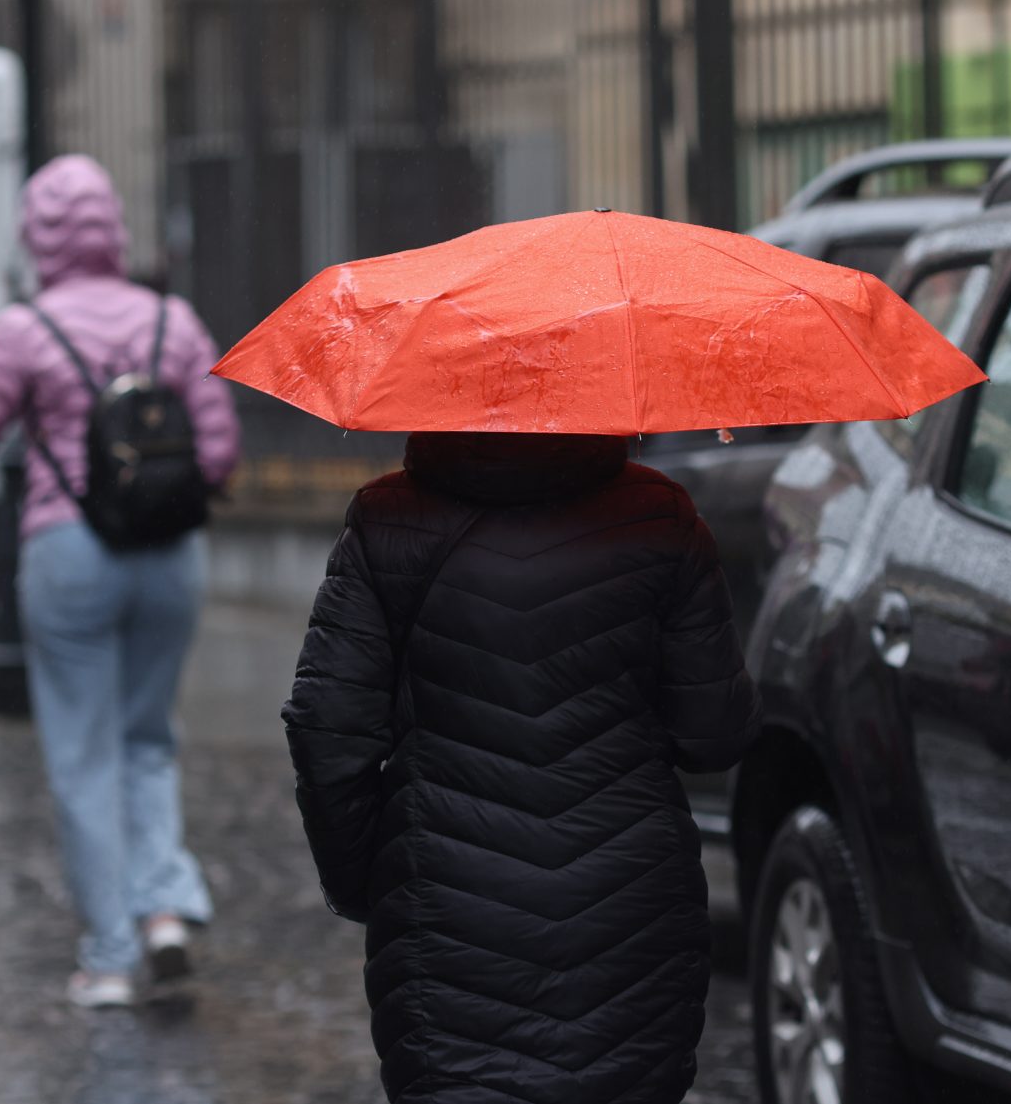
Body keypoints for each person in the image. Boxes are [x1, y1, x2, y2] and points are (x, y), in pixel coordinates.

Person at [284, 432, 763, 1104]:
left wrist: (366, 881)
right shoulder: (662, 515)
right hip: (628, 923)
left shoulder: (388, 517)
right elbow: (715, 734)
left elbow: (327, 729)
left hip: (448, 926)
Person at [0, 154, 240, 1008]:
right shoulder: (174, 321)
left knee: (82, 756)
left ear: (36, 236)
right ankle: (164, 915)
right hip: (171, 556)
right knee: (150, 738)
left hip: (69, 552)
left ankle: (109, 956)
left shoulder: (26, 330)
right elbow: (219, 454)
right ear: (114, 226)